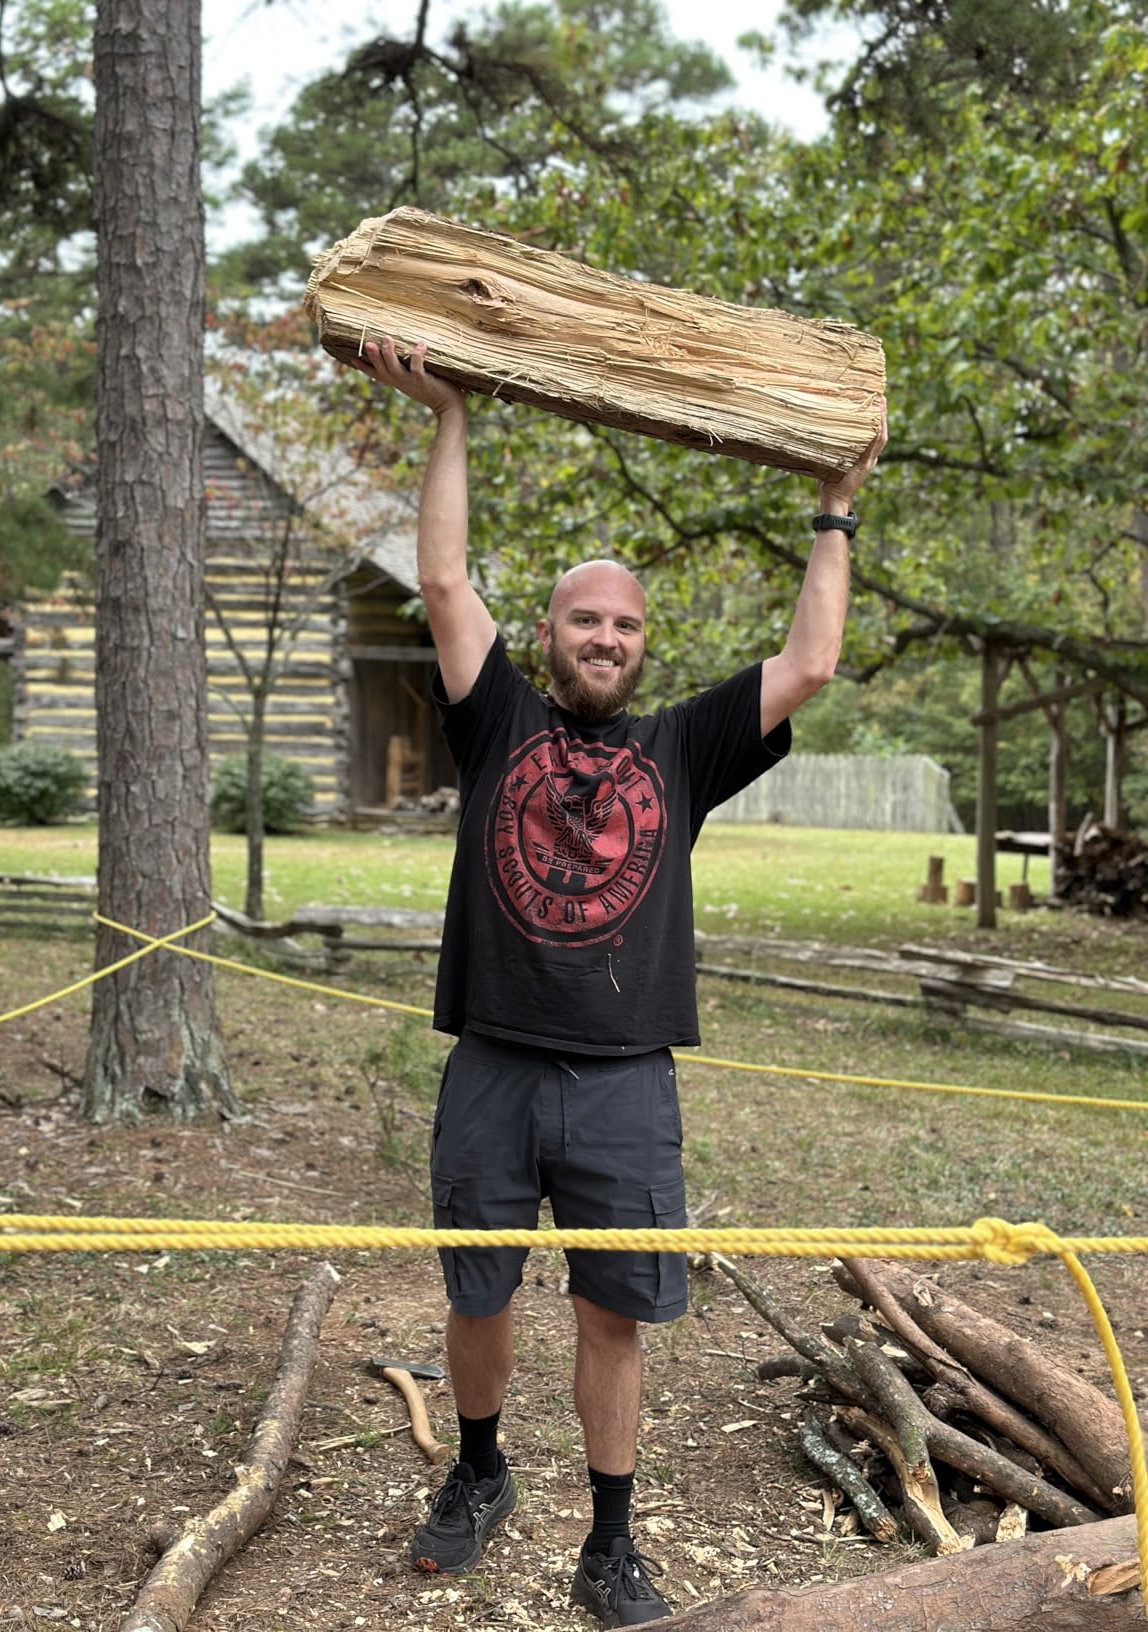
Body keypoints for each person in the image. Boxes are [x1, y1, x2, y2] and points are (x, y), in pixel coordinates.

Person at [350, 334, 886, 1626]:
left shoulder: (683, 746)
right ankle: (479, 1475)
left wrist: (834, 509)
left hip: (626, 1084)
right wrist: (451, 416)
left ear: (647, 645)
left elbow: (810, 661)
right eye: (585, 619)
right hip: (492, 1062)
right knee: (477, 1295)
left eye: (626, 624)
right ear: (550, 634)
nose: (607, 636)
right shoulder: (500, 716)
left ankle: (610, 1541)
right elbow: (440, 574)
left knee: (613, 1320)